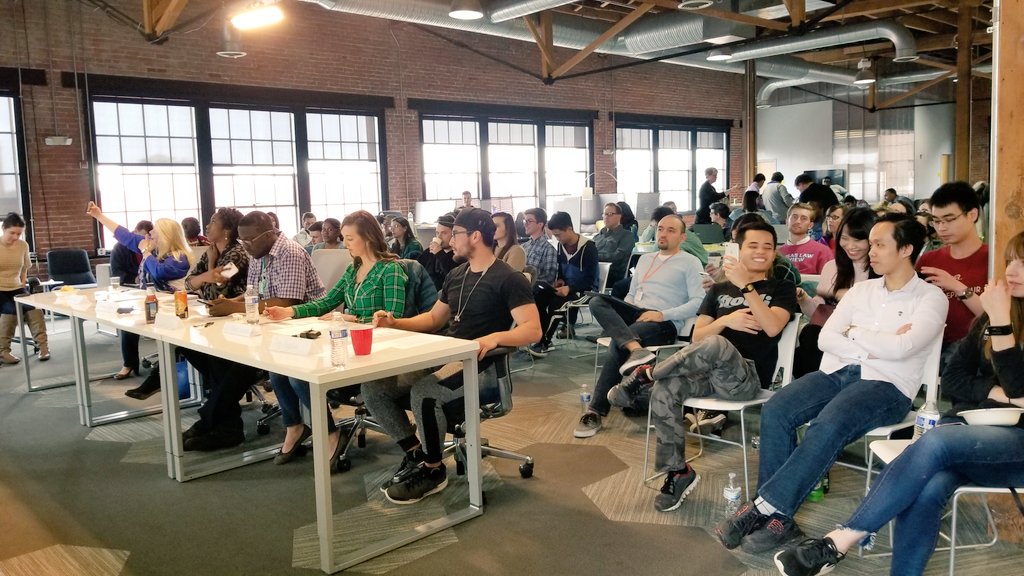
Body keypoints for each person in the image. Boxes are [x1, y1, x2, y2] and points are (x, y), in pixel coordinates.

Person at [775, 231, 1024, 576]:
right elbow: (954, 378)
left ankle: (839, 541)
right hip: (970, 428)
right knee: (928, 487)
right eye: (1010, 261)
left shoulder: (997, 316)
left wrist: (1000, 325)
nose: (1011, 270)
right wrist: (997, 392)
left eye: (1023, 263)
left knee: (935, 442)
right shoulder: (996, 314)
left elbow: (1016, 382)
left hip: (1013, 445)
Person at [716, 213, 948, 554]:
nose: (870, 251)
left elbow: (905, 348)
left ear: (906, 249)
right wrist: (875, 343)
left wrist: (854, 334)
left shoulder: (930, 298)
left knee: (828, 423)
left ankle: (764, 509)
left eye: (880, 245)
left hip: (888, 386)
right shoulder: (861, 291)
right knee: (778, 408)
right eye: (871, 244)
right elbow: (827, 338)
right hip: (837, 373)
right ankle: (779, 518)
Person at [610, 220, 799, 511]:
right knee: (666, 388)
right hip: (707, 375)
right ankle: (678, 472)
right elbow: (697, 336)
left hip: (745, 379)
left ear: (775, 253)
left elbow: (773, 327)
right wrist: (727, 320)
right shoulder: (718, 290)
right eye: (753, 245)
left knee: (718, 344)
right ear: (740, 249)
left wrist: (746, 287)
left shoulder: (782, 287)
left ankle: (645, 373)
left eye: (768, 247)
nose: (761, 252)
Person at [371, 208, 541, 504]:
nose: (449, 240)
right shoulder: (456, 275)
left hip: (482, 367)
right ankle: (418, 455)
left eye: (456, 234)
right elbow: (433, 319)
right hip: (449, 359)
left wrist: (496, 337)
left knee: (425, 393)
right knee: (375, 389)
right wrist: (395, 322)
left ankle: (433, 471)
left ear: (475, 236)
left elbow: (532, 329)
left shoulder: (509, 278)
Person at [264, 210, 407, 466]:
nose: (345, 243)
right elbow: (327, 302)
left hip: (374, 350)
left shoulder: (390, 270)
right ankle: (294, 426)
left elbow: (392, 319)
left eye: (350, 238)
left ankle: (330, 433)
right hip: (347, 344)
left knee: (299, 376)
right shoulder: (354, 270)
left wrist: (352, 319)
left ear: (368, 238)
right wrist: (289, 311)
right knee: (278, 370)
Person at [188, 211, 325, 451]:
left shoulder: (249, 255)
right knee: (213, 357)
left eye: (213, 223)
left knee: (238, 363)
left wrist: (227, 299)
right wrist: (225, 295)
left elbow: (286, 301)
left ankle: (211, 420)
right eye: (243, 240)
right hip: (265, 324)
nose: (207, 227)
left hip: (299, 327)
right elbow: (194, 283)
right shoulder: (250, 252)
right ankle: (225, 427)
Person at [574, 213, 705, 438]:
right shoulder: (645, 259)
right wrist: (626, 311)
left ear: (682, 237)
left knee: (620, 340)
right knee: (596, 301)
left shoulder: (690, 262)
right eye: (660, 229)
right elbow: (632, 294)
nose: (663, 234)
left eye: (671, 230)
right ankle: (636, 350)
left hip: (664, 322)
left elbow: (698, 302)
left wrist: (661, 314)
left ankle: (595, 410)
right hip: (636, 313)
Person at [124, 207, 250, 400]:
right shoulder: (211, 250)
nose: (207, 226)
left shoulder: (237, 255)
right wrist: (208, 274)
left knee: (185, 338)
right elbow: (190, 282)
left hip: (231, 315)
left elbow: (218, 288)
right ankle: (212, 387)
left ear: (226, 230)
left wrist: (208, 270)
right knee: (179, 336)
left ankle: (218, 390)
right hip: (212, 312)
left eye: (213, 222)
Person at [86, 203, 192, 380]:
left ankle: (160, 376)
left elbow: (159, 272)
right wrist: (99, 216)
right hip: (150, 302)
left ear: (165, 236)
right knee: (127, 323)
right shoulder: (153, 248)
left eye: (153, 232)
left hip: (172, 307)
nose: (149, 235)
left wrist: (145, 251)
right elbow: (124, 235)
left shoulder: (179, 256)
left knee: (167, 337)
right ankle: (129, 363)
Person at [793, 208, 877, 377]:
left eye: (858, 240)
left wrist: (849, 297)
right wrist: (803, 299)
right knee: (810, 335)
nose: (850, 246)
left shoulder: (881, 270)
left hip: (863, 339)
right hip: (829, 336)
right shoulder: (832, 267)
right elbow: (818, 313)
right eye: (845, 238)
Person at [917, 181, 987, 349]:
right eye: (936, 221)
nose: (941, 228)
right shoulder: (928, 261)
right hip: (936, 351)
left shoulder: (993, 259)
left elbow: (995, 318)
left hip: (980, 352)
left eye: (949, 220)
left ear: (972, 215)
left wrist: (957, 286)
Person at [528, 211, 598, 357]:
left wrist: (570, 288)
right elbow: (560, 268)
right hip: (566, 288)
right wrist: (560, 280)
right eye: (555, 236)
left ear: (569, 229)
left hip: (585, 291)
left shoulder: (589, 247)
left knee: (556, 303)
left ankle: (544, 342)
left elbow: (590, 279)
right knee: (538, 296)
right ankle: (539, 337)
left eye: (559, 235)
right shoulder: (561, 246)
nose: (557, 239)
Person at [0, 212, 49, 363]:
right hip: (0, 289)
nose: (16, 237)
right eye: (12, 233)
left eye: (19, 234)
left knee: (34, 308)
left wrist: (22, 282)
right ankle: (3, 352)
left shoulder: (23, 246)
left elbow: (25, 267)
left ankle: (43, 347)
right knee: (11, 309)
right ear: (3, 229)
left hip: (17, 287)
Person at [777, 203, 834, 275]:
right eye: (794, 217)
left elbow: (829, 279)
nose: (798, 221)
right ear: (787, 221)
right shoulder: (777, 253)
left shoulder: (823, 251)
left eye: (803, 218)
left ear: (810, 225)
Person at [594, 202, 635, 287]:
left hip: (612, 275)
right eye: (604, 214)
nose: (606, 217)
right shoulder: (597, 237)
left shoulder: (626, 235)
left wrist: (594, 256)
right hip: (594, 271)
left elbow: (617, 257)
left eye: (610, 214)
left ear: (619, 216)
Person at [417, 212, 458, 290]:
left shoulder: (458, 254)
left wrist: (439, 253)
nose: (439, 237)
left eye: (444, 233)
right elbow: (417, 267)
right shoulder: (429, 252)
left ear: (453, 234)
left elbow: (452, 275)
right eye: (437, 233)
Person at [793, 174, 839, 239]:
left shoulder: (805, 194)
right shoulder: (826, 189)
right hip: (832, 220)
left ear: (801, 184)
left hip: (816, 223)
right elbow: (836, 204)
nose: (799, 191)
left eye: (798, 188)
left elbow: (802, 212)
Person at [520, 208, 558, 285]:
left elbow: (549, 277)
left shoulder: (549, 249)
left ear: (540, 224)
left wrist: (526, 282)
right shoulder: (523, 246)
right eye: (525, 221)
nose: (525, 224)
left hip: (534, 290)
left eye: (529, 221)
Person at [110, 220, 153, 285]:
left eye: (149, 238)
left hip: (149, 284)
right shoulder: (119, 248)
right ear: (135, 232)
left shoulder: (152, 246)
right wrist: (134, 279)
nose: (144, 241)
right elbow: (116, 272)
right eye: (141, 238)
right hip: (128, 284)